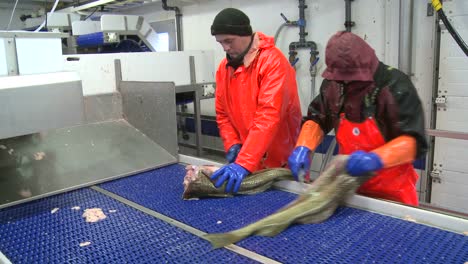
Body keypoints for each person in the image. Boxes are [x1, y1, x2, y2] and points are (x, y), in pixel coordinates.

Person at [288, 31, 428, 206]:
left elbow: (413, 141)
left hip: (393, 195)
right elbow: (318, 119)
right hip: (348, 189)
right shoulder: (334, 84)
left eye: (351, 79)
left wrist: (374, 159)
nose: (346, 85)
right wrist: (303, 147)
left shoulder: (394, 85)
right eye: (342, 80)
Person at [209, 8, 302, 193]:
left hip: (280, 164)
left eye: (229, 41)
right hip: (249, 163)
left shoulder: (273, 63)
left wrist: (244, 162)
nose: (225, 48)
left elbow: (269, 116)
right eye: (220, 43)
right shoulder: (224, 68)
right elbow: (222, 113)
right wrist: (233, 143)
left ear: (245, 34)